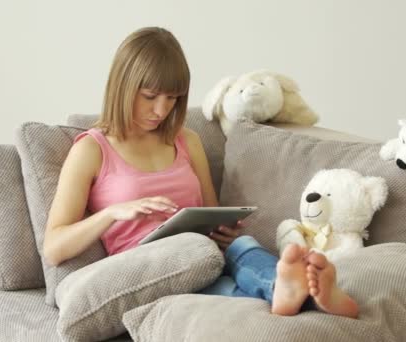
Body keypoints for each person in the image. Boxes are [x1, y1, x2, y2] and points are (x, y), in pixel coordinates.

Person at [43, 26, 358, 318]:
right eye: (151, 96)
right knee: (214, 284)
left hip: (206, 252)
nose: (161, 110)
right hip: (152, 270)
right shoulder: (91, 149)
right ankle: (299, 296)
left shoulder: (186, 140)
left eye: (173, 98)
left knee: (241, 246)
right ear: (122, 86)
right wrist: (112, 213)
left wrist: (224, 229)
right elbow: (54, 248)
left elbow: (210, 210)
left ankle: (296, 291)